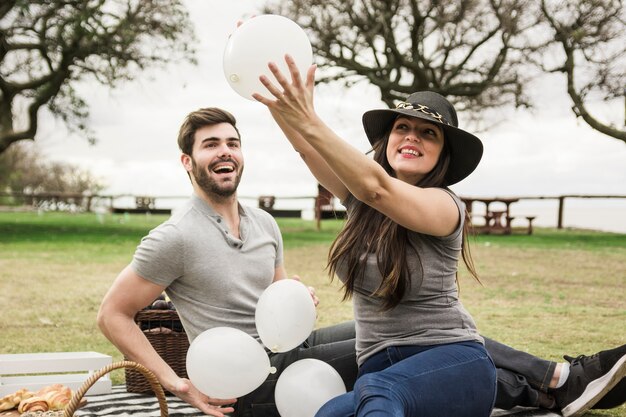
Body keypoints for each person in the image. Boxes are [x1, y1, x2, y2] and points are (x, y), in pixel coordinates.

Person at [97, 105, 626, 417]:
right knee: (410, 344)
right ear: (188, 162)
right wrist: (178, 383)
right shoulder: (172, 237)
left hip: (287, 347)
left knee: (413, 336)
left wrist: (294, 294)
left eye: (233, 142)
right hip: (251, 373)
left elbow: (279, 296)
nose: (225, 152)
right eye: (210, 145)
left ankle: (555, 380)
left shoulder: (263, 223)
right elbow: (112, 314)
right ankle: (556, 380)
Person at [252, 56, 626, 417]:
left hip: (454, 360)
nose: (411, 137)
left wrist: (309, 117)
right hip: (383, 371)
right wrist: (273, 95)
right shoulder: (359, 201)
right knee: (331, 411)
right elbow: (306, 147)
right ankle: (550, 385)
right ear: (388, 139)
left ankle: (556, 381)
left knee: (377, 391)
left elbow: (377, 188)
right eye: (402, 127)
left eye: (427, 133)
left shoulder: (444, 206)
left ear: (442, 154)